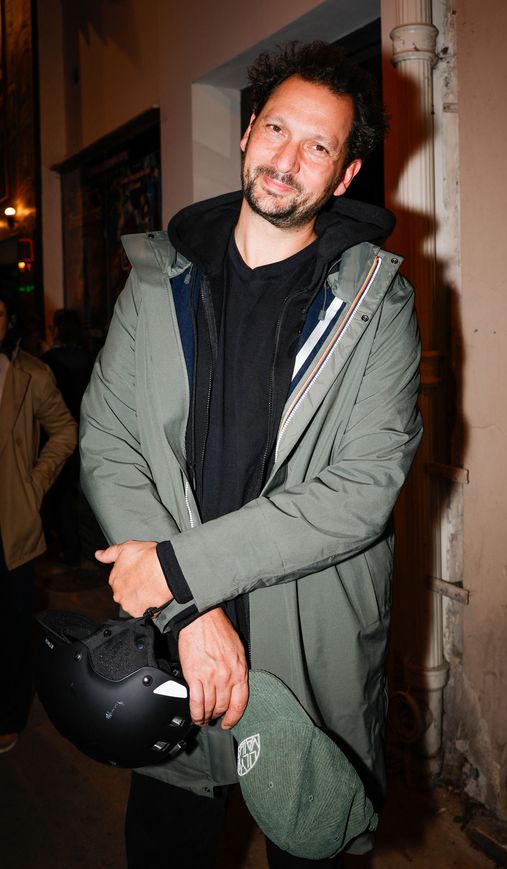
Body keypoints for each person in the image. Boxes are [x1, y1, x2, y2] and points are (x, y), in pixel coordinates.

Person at [80, 41, 422, 867]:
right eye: (276, 129)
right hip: (177, 647)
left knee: (311, 842)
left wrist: (177, 570)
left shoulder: (377, 302)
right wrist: (189, 609)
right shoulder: (157, 279)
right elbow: (108, 441)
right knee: (167, 847)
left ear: (344, 176)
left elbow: (361, 490)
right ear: (245, 135)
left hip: (313, 651)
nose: (286, 159)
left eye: (318, 146)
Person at [0, 291, 76, 754]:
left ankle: (8, 715)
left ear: (8, 319)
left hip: (11, 527)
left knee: (10, 629)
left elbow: (64, 430)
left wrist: (34, 483)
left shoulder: (31, 374)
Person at [42, 309, 94, 566]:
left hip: (61, 435)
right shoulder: (89, 358)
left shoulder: (48, 360)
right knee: (86, 495)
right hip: (88, 432)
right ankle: (90, 552)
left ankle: (70, 552)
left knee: (62, 496)